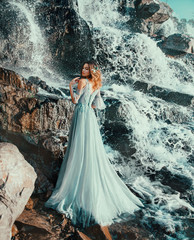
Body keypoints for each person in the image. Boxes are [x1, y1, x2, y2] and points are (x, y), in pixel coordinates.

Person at [44, 60, 144, 229]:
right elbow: (97, 104)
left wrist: (70, 85)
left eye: (86, 68)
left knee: (78, 146)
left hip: (81, 115)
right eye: (83, 67)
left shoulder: (82, 82)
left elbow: (75, 101)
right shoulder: (97, 83)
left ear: (91, 71)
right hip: (89, 117)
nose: (83, 70)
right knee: (89, 148)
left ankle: (73, 181)